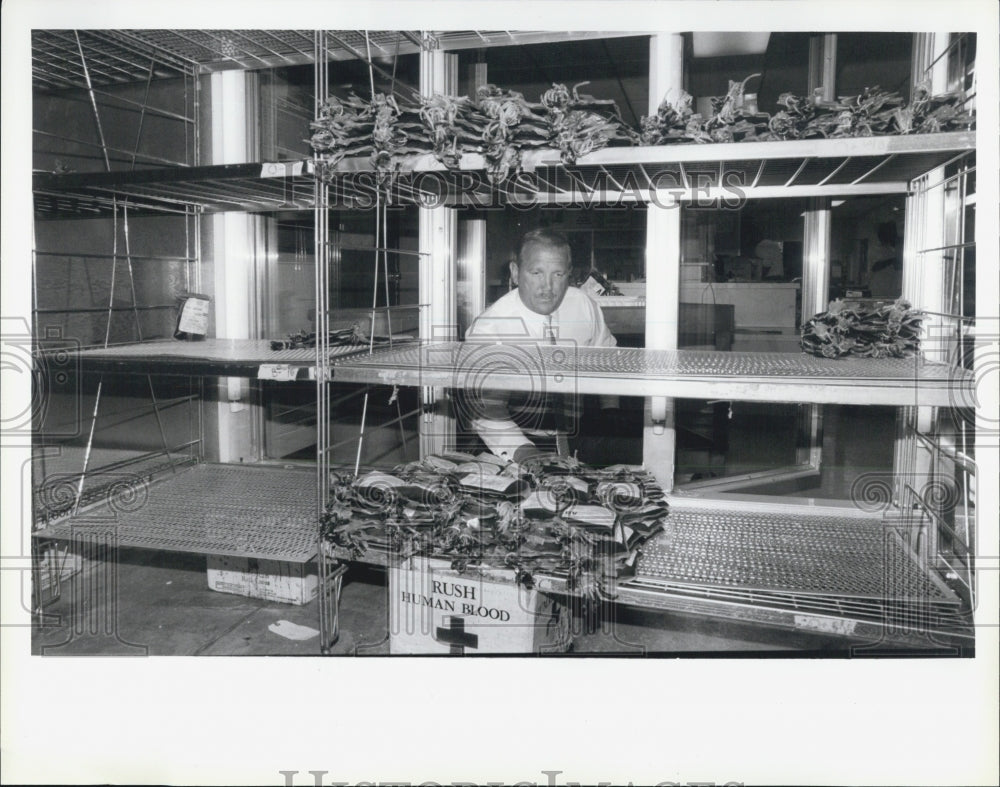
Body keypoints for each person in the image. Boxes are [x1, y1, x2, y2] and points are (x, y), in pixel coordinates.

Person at [465, 228, 622, 463]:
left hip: (578, 437)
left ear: (569, 273)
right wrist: (524, 452)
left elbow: (609, 359)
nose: (547, 286)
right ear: (516, 273)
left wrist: (611, 419)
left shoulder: (583, 305)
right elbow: (485, 409)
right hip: (513, 443)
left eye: (557, 274)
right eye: (536, 272)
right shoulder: (490, 328)